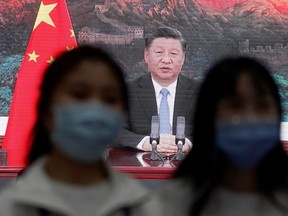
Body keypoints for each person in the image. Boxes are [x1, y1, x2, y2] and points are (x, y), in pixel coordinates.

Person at [0, 46, 161, 216]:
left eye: (110, 98)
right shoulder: (11, 207)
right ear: (48, 110)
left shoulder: (143, 207)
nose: (95, 109)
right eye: (79, 95)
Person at [159, 57, 288, 216]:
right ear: (208, 116)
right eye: (235, 106)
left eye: (263, 106)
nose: (250, 118)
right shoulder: (171, 201)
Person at [119, 26, 198, 153]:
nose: (166, 60)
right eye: (159, 52)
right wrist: (145, 143)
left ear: (183, 58)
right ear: (146, 55)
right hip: (141, 168)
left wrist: (188, 143)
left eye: (173, 53)